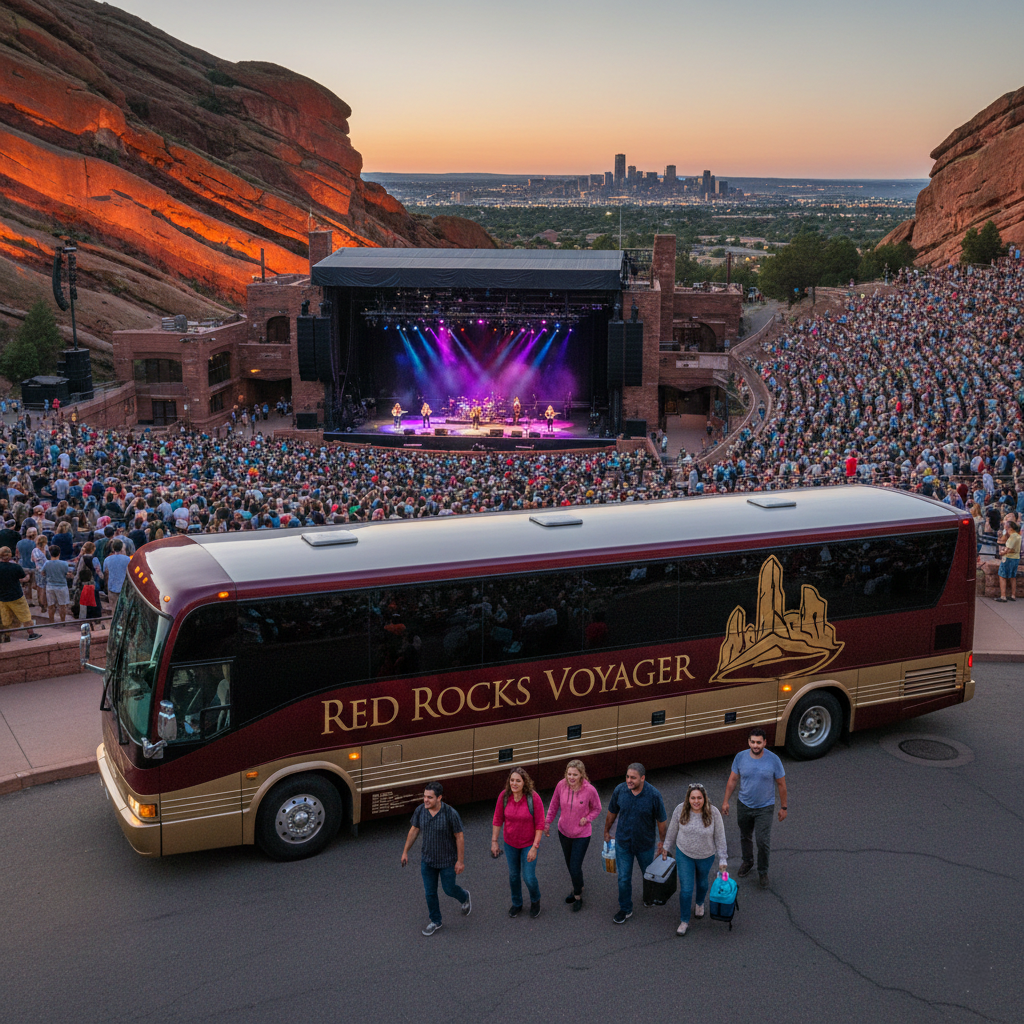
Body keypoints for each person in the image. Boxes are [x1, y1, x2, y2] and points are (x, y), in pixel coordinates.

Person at [400, 781, 471, 937]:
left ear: (439, 798)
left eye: (430, 798)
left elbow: (459, 837)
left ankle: (464, 896)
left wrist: (460, 861)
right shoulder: (420, 811)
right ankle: (435, 921)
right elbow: (414, 831)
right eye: (424, 796)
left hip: (447, 861)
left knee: (449, 889)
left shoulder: (450, 813)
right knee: (430, 893)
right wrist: (405, 851)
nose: (426, 800)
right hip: (428, 861)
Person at [658, 783, 728, 935]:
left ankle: (700, 903)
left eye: (699, 798)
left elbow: (720, 837)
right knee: (686, 889)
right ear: (688, 799)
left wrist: (723, 858)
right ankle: (684, 921)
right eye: (693, 798)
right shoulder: (680, 809)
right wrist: (666, 847)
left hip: (706, 856)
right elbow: (672, 830)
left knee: (702, 884)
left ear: (704, 798)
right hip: (684, 854)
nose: (696, 801)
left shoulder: (713, 812)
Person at [721, 727, 787, 888]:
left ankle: (763, 872)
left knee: (762, 841)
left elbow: (781, 784)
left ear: (765, 742)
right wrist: (725, 801)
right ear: (748, 742)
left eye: (759, 742)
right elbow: (733, 780)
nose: (755, 745)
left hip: (765, 807)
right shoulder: (740, 757)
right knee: (745, 836)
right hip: (744, 804)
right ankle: (748, 861)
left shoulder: (774, 760)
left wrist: (783, 807)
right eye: (752, 742)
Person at [603, 763, 668, 924]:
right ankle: (625, 908)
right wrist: (606, 831)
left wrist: (662, 842)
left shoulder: (654, 795)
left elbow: (661, 821)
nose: (629, 780)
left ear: (643, 778)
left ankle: (648, 897)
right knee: (624, 878)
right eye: (627, 776)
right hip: (623, 843)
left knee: (648, 875)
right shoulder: (620, 790)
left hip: (645, 845)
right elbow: (612, 812)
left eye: (633, 777)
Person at [543, 758, 602, 912]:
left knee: (575, 867)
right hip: (563, 832)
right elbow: (554, 804)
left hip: (582, 834)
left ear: (581, 775)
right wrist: (547, 822)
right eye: (569, 774)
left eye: (575, 774)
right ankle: (579, 885)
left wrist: (587, 818)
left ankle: (577, 895)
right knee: (570, 865)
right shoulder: (561, 785)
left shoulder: (589, 790)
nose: (571, 778)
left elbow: (597, 808)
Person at [491, 766, 545, 918]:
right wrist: (494, 841)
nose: (514, 784)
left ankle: (535, 900)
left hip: (529, 844)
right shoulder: (504, 796)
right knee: (514, 876)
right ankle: (517, 903)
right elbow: (497, 819)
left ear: (524, 783)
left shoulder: (533, 798)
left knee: (528, 877)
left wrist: (535, 847)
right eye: (512, 780)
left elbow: (540, 823)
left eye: (518, 781)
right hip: (510, 844)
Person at [0, 546, 43, 642]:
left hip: (2, 598)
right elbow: (24, 579)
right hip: (16, 596)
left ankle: (6, 636)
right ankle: (31, 634)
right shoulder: (15, 567)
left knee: (6, 617)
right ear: (10, 555)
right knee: (25, 615)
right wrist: (28, 576)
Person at [43, 545, 72, 623]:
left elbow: (42, 573)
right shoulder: (64, 563)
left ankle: (51, 622)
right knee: (62, 606)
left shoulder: (47, 563)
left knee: (51, 605)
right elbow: (66, 574)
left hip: (50, 586)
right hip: (62, 586)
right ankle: (63, 621)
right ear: (59, 553)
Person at [996, 519, 1020, 601]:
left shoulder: (1012, 537)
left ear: (1009, 528)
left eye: (1005, 526)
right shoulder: (1018, 536)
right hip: (1016, 558)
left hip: (1008, 558)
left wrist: (1002, 552)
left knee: (1002, 576)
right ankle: (1013, 595)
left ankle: (1003, 596)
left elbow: (1008, 549)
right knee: (1013, 576)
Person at [103, 539, 131, 603]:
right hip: (124, 588)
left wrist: (106, 587)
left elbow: (106, 575)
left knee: (113, 608)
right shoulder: (128, 559)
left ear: (113, 548)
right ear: (122, 547)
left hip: (111, 587)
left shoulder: (107, 559)